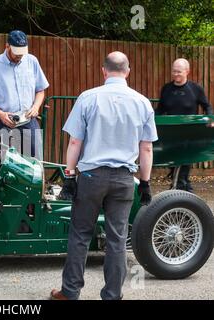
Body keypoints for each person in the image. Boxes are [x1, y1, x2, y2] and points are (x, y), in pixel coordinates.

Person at [51, 52, 158, 300]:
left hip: (91, 178)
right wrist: (145, 182)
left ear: (103, 71)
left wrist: (69, 175)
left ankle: (70, 292)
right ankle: (112, 295)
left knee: (80, 234)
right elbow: (146, 148)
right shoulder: (142, 103)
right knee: (117, 239)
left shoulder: (88, 98)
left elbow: (75, 141)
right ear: (128, 71)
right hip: (123, 180)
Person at [0, 30, 49, 159]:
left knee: (36, 166)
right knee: (3, 166)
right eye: (17, 53)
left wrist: (36, 106)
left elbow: (40, 90)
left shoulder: (32, 61)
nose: (20, 56)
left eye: (22, 53)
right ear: (7, 46)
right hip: (6, 123)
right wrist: (0, 114)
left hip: (29, 121)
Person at [155, 58, 213, 192]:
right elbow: (161, 109)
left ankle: (180, 190)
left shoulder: (195, 89)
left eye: (179, 72)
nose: (176, 74)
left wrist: (210, 119)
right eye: (174, 71)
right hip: (171, 136)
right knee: (174, 164)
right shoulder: (167, 89)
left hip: (189, 135)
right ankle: (183, 190)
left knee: (184, 165)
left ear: (187, 71)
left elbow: (207, 106)